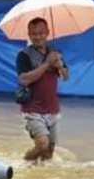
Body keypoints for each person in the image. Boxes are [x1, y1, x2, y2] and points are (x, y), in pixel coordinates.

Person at [17, 17, 68, 162]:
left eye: (41, 33)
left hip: (52, 109)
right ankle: (24, 163)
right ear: (29, 34)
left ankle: (38, 175)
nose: (37, 37)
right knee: (42, 144)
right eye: (33, 34)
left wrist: (61, 67)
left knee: (49, 152)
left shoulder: (56, 53)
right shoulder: (24, 55)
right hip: (32, 109)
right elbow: (24, 79)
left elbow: (65, 77)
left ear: (47, 33)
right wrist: (46, 64)